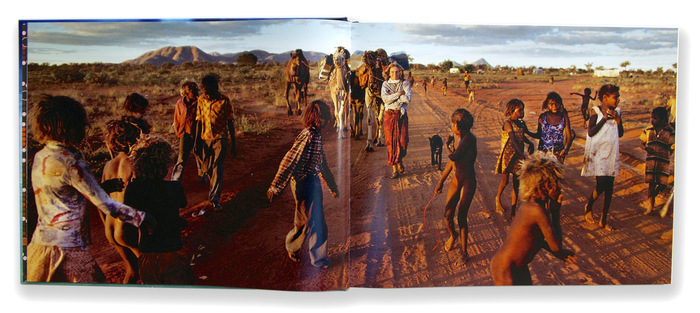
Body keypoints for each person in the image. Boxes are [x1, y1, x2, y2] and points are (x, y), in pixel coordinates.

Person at [27, 94, 148, 283]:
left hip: (41, 246)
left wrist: (101, 187)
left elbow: (61, 192)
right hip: (68, 250)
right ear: (69, 126)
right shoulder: (71, 161)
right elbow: (107, 204)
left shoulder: (41, 156)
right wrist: (144, 219)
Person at [267, 100, 340, 268]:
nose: (327, 121)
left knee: (319, 220)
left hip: (313, 181)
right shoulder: (308, 135)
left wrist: (332, 187)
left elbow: (322, 164)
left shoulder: (317, 136)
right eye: (323, 118)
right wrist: (275, 186)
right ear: (315, 118)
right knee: (304, 222)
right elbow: (289, 160)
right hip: (302, 183)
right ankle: (292, 246)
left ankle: (319, 258)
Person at [490, 152, 577, 285]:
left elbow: (538, 238)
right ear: (546, 185)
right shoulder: (537, 210)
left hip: (515, 265)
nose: (559, 188)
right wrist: (556, 210)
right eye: (556, 183)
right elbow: (556, 246)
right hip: (506, 269)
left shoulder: (535, 205)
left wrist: (558, 253)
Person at [123, 135, 195, 285]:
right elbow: (181, 203)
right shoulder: (174, 188)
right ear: (165, 165)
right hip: (171, 253)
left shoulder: (132, 190)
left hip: (146, 255)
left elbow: (129, 224)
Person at [100, 117, 144, 283]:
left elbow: (101, 199)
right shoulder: (134, 164)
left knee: (132, 272)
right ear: (129, 141)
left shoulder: (108, 165)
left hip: (110, 227)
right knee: (148, 266)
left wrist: (106, 223)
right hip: (126, 227)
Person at [435, 109, 477, 262]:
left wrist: (446, 145)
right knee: (447, 215)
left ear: (457, 125)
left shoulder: (469, 139)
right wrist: (441, 181)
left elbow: (454, 156)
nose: (451, 127)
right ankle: (454, 236)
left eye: (452, 124)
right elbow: (451, 163)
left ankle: (464, 252)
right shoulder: (458, 137)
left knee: (461, 217)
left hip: (467, 180)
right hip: (455, 179)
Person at [581, 84, 624, 231]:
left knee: (610, 187)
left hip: (611, 152)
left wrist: (618, 121)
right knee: (601, 186)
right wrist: (604, 119)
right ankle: (589, 205)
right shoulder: (596, 111)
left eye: (618, 96)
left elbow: (621, 133)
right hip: (598, 154)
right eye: (615, 97)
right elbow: (591, 132)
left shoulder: (618, 111)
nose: (618, 99)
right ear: (605, 98)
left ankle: (603, 220)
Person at [192, 74, 236, 216]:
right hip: (205, 138)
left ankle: (215, 199)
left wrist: (233, 143)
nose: (205, 92)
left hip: (220, 138)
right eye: (203, 90)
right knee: (208, 168)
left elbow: (230, 121)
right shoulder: (201, 100)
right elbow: (199, 120)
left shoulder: (224, 101)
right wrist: (196, 141)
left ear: (214, 88)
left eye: (207, 90)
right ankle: (210, 183)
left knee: (217, 167)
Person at [495, 99, 534, 218]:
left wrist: (531, 142)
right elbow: (513, 138)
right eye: (520, 110)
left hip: (518, 156)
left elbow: (525, 135)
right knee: (505, 181)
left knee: (516, 184)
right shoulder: (508, 123)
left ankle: (513, 211)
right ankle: (497, 200)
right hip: (508, 156)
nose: (523, 112)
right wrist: (522, 153)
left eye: (523, 109)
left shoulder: (522, 123)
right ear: (512, 111)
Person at [639, 107, 675, 216]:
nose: (652, 120)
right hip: (651, 162)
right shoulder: (648, 130)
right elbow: (642, 143)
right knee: (651, 184)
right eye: (651, 118)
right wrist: (646, 148)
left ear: (663, 119)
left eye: (655, 118)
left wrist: (669, 151)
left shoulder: (669, 132)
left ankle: (653, 196)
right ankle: (650, 207)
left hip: (663, 163)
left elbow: (672, 146)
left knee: (662, 183)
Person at [382, 62, 412, 179]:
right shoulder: (385, 84)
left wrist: (393, 96)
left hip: (401, 115)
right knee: (391, 143)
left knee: (403, 142)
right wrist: (399, 94)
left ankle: (400, 160)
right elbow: (385, 100)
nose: (395, 74)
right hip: (389, 116)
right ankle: (395, 169)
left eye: (397, 72)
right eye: (392, 72)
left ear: (400, 73)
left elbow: (408, 99)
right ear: (389, 73)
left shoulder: (405, 83)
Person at [525, 92, 574, 163]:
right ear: (547, 105)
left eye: (557, 103)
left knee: (556, 172)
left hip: (558, 153)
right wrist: (527, 132)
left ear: (560, 104)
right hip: (543, 153)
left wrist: (566, 149)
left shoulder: (564, 117)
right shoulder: (542, 117)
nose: (555, 106)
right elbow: (539, 135)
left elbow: (569, 137)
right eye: (551, 104)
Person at [171, 81, 200, 181]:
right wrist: (179, 132)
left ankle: (202, 178)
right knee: (181, 158)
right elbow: (176, 118)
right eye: (193, 91)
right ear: (186, 92)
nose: (196, 93)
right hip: (185, 134)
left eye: (197, 90)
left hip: (197, 134)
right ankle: (175, 180)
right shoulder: (180, 103)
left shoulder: (200, 102)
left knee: (199, 156)